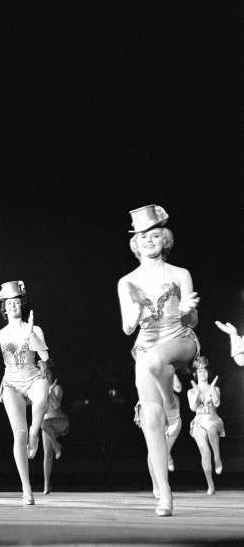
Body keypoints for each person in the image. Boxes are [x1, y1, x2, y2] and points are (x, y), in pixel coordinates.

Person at [117, 204, 200, 517]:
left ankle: (174, 411)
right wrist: (137, 308)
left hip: (179, 340)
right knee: (150, 419)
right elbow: (128, 328)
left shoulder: (180, 274)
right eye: (142, 236)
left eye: (154, 234)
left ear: (165, 238)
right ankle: (164, 494)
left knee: (153, 361)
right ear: (135, 243)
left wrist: (187, 311)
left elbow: (192, 321)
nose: (148, 240)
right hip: (147, 343)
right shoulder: (128, 281)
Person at [0, 281, 50, 505]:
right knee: (18, 435)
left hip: (33, 377)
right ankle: (26, 490)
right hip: (11, 383)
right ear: (4, 307)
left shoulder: (34, 328)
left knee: (42, 395)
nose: (14, 306)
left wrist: (31, 336)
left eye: (17, 302)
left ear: (22, 305)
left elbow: (45, 358)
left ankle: (35, 431)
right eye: (10, 303)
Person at [133, 372, 183, 499]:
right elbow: (141, 385)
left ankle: (167, 454)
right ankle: (157, 486)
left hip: (168, 407)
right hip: (148, 406)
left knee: (165, 442)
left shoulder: (166, 366)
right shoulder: (145, 365)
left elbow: (178, 388)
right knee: (153, 446)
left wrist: (171, 373)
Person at [188, 356, 225, 495]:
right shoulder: (191, 391)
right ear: (195, 374)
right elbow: (192, 408)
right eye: (199, 371)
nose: (202, 374)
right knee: (204, 451)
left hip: (213, 418)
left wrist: (213, 390)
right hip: (199, 420)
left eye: (204, 371)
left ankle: (217, 458)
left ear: (208, 373)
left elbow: (217, 404)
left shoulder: (215, 388)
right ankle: (210, 484)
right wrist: (197, 392)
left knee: (211, 430)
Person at [41, 364, 69, 495]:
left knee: (44, 423)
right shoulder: (39, 391)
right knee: (47, 454)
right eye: (43, 374)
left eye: (48, 374)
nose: (46, 376)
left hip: (60, 421)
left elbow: (56, 405)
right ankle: (47, 484)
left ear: (51, 375)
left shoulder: (57, 388)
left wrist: (50, 391)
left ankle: (57, 446)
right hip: (46, 425)